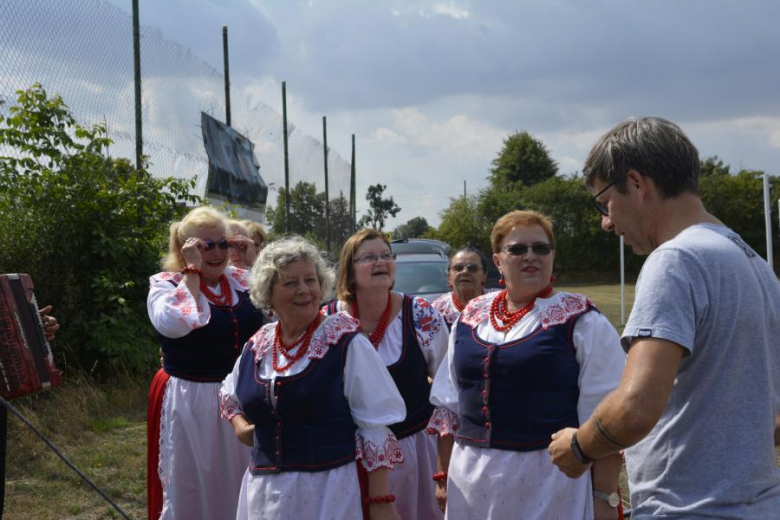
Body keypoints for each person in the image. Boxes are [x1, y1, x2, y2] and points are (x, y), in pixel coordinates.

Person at [548, 117, 780, 518]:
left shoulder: (675, 259)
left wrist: (578, 446)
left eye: (605, 203)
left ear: (637, 184)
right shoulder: (757, 265)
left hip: (688, 508)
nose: (606, 222)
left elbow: (636, 406)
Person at [429, 210, 626, 519]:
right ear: (497, 261)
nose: (530, 256)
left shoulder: (581, 320)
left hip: (548, 480)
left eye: (540, 248)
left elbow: (607, 417)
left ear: (552, 256)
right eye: (518, 249)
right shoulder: (471, 316)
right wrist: (442, 476)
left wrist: (604, 496)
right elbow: (450, 403)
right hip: (470, 478)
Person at [218, 236, 406, 519]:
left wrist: (380, 500)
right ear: (268, 294)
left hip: (326, 489)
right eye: (290, 283)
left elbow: (375, 424)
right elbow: (229, 393)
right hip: (264, 490)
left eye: (310, 280)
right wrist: (241, 427)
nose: (304, 290)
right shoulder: (258, 346)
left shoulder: (343, 342)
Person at [146, 206, 264, 520]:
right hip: (192, 400)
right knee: (195, 482)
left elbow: (279, 309)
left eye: (222, 244)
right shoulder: (165, 286)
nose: (215, 252)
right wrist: (193, 273)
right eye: (203, 245)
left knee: (245, 478)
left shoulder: (240, 280)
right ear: (184, 249)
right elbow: (175, 323)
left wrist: (252, 257)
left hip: (243, 397)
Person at [324, 229, 449, 520]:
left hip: (414, 454)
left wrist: (444, 467)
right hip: (346, 456)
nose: (381, 262)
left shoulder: (420, 314)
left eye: (386, 256)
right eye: (369, 257)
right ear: (349, 271)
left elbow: (446, 388)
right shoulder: (329, 320)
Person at [432, 244, 491, 328]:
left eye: (472, 268)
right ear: (449, 276)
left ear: (484, 275)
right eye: (458, 268)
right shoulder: (437, 310)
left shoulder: (498, 303)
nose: (465, 272)